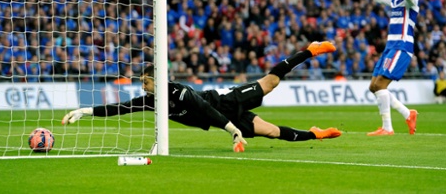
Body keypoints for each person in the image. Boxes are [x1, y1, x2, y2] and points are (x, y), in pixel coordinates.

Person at [62, 41, 342, 152]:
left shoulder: (177, 91)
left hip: (225, 103)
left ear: (155, 79)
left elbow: (206, 112)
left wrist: (231, 130)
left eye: (145, 82)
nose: (143, 87)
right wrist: (84, 111)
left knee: (270, 83)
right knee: (271, 132)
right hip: (224, 118)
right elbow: (119, 108)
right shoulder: (151, 100)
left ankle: (310, 51)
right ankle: (315, 134)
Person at [367, 0, 418, 136]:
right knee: (374, 86)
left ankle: (387, 128)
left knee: (381, 84)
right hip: (390, 47)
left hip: (402, 47)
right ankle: (407, 113)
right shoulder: (395, 0)